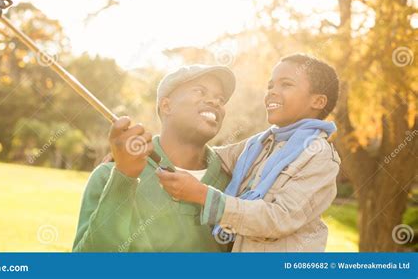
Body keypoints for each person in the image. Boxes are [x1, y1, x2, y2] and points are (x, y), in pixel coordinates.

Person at [158, 53, 341, 252]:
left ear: (318, 101)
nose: (272, 92)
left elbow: (279, 219)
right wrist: (144, 147)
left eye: (286, 85)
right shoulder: (260, 143)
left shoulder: (320, 156)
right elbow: (211, 156)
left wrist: (203, 195)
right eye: (270, 86)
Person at [72, 64, 236, 251]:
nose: (215, 102)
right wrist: (124, 177)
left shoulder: (235, 184)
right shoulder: (108, 175)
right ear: (166, 105)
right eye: (200, 91)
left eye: (220, 99)